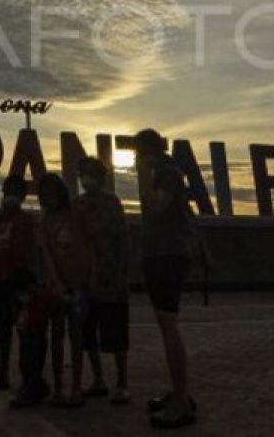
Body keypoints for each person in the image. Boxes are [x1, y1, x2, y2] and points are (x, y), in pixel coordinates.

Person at [134, 129, 198, 429]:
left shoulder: (169, 173)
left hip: (169, 253)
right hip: (158, 252)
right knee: (164, 320)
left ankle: (182, 403)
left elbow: (158, 205)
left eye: (140, 150)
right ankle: (177, 392)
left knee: (168, 321)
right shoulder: (158, 172)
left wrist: (144, 173)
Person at [75, 157, 132, 405]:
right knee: (89, 333)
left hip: (111, 277)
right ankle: (98, 379)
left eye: (90, 174)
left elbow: (123, 240)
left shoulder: (113, 203)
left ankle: (122, 382)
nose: (86, 179)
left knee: (117, 334)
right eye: (82, 174)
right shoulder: (76, 205)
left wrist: (121, 274)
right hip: (86, 279)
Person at [36, 173, 92, 408]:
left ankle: (76, 387)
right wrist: (55, 281)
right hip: (57, 285)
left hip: (79, 283)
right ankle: (58, 387)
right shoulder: (45, 220)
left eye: (51, 191)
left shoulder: (76, 213)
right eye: (44, 193)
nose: (48, 197)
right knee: (57, 335)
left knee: (77, 336)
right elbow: (46, 253)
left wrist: (91, 275)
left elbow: (89, 243)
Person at [0, 174, 37, 395]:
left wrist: (32, 281)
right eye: (7, 192)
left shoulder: (26, 219)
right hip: (1, 280)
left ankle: (27, 377)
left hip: (20, 281)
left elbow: (32, 249)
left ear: (22, 196)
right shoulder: (1, 220)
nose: (10, 196)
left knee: (24, 331)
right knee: (2, 330)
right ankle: (2, 374)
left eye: (15, 193)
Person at [7, 267, 57, 409]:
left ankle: (30, 391)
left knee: (33, 364)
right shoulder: (22, 303)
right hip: (26, 335)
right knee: (25, 364)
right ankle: (36, 388)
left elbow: (53, 301)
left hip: (37, 337)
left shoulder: (40, 296)